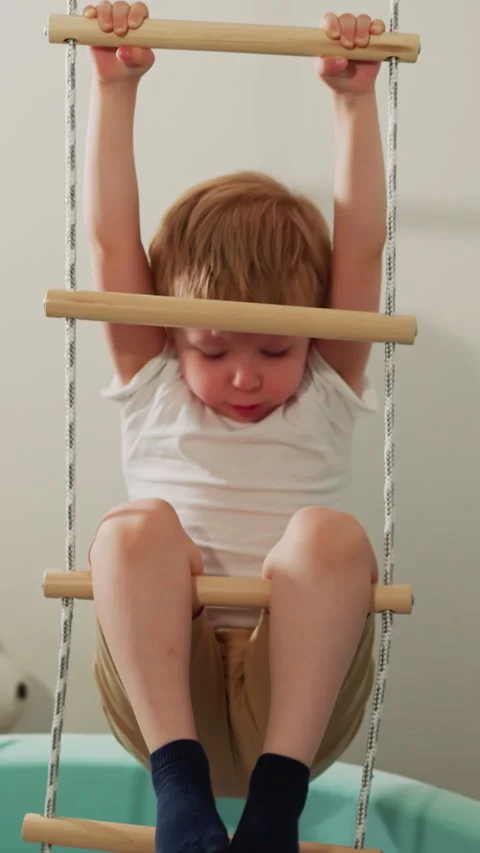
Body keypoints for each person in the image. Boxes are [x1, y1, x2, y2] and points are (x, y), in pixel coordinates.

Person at [83, 3, 385, 852]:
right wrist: (117, 89)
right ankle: (181, 795)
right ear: (174, 333)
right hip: (163, 691)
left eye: (275, 347)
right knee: (132, 529)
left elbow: (360, 252)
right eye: (214, 348)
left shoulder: (324, 391)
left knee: (330, 535)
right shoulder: (155, 384)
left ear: (311, 338)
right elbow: (113, 245)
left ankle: (272, 809)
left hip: (294, 697)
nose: (246, 374)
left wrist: (353, 105)